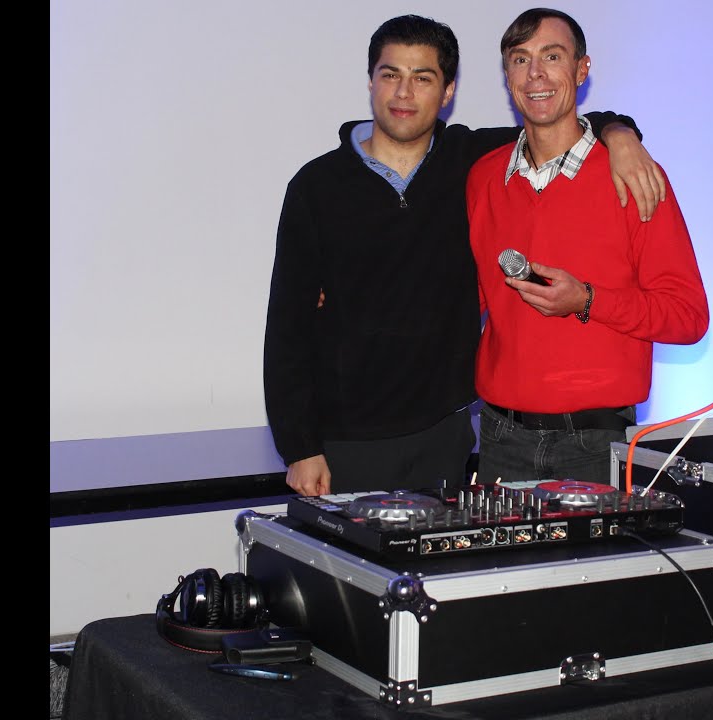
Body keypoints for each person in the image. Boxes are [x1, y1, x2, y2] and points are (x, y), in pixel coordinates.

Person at [264, 14, 666, 497]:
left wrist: (619, 133)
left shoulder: (473, 162)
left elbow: (556, 121)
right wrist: (299, 446)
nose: (403, 93)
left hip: (446, 437)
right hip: (345, 441)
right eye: (391, 74)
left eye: (422, 78)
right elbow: (287, 327)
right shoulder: (317, 186)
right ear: (370, 81)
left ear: (448, 90)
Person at [466, 8, 709, 486]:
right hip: (497, 438)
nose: (535, 74)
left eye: (551, 56)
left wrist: (589, 301)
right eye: (520, 59)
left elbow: (688, 317)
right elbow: (465, 297)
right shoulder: (483, 177)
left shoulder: (634, 177)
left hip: (596, 445)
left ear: (581, 70)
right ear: (507, 75)